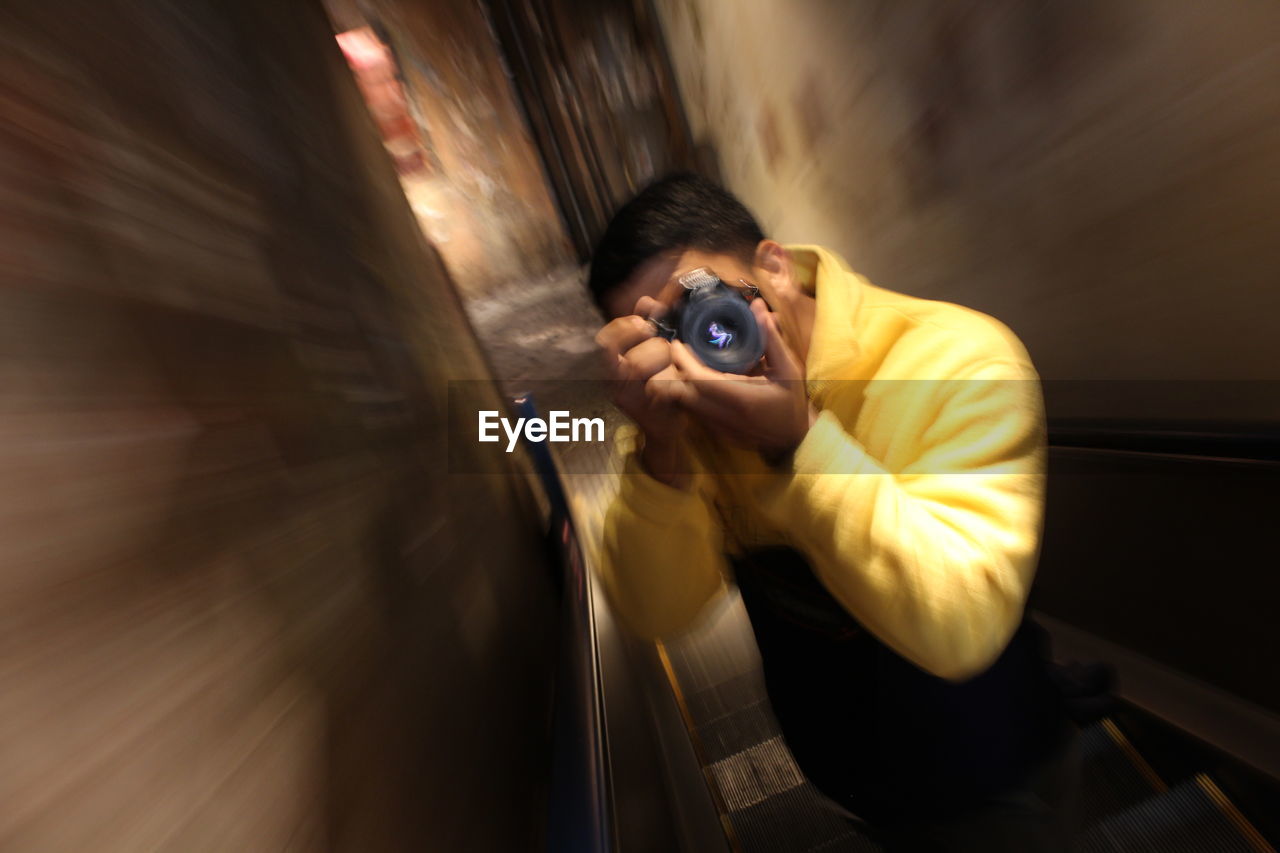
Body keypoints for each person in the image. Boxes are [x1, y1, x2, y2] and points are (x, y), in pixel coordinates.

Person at [591, 173, 1076, 851]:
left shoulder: (958, 360)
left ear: (777, 266)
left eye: (714, 301)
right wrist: (660, 455)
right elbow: (656, 611)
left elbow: (959, 628)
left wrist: (801, 441)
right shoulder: (679, 415)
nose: (707, 340)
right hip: (855, 784)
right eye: (666, 329)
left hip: (993, 774)